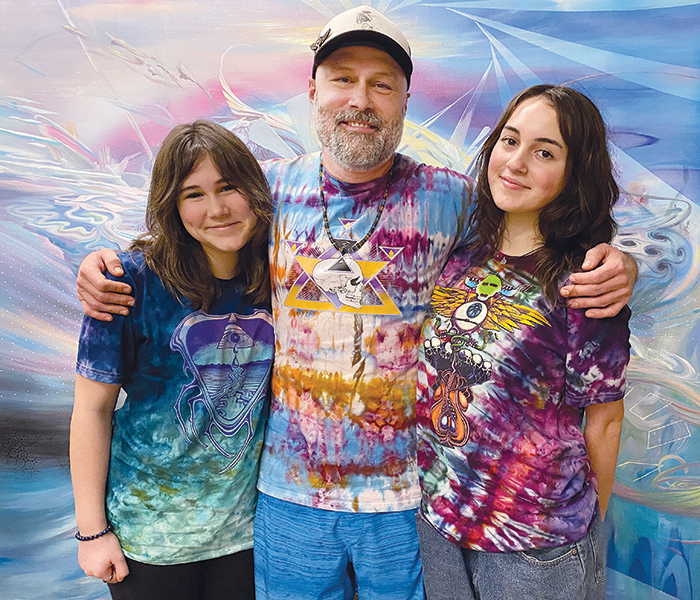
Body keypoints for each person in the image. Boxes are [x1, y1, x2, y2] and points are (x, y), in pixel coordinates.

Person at [75, 7, 637, 600]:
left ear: (404, 99)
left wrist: (615, 260)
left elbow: (534, 235)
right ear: (313, 90)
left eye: (382, 85)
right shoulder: (265, 193)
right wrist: (102, 263)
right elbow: (191, 232)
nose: (361, 100)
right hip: (288, 499)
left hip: (407, 504)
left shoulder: (453, 198)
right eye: (343, 78)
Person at [415, 85, 630, 600]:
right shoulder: (460, 252)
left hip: (533, 546)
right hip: (438, 523)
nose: (515, 163)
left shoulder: (585, 284)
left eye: (544, 152)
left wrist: (582, 527)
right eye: (509, 141)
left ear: (574, 174)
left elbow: (605, 417)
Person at [69, 120, 274, 600]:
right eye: (194, 195)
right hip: (151, 539)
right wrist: (92, 532)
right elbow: (91, 410)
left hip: (248, 534)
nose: (217, 209)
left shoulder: (280, 270)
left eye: (229, 188)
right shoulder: (128, 284)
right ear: (172, 205)